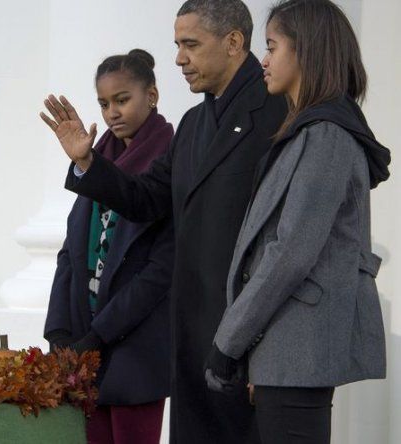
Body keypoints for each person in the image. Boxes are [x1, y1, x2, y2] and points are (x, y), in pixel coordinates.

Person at [42, 0, 288, 442]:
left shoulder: (278, 114)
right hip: (194, 338)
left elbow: (282, 241)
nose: (178, 59)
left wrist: (263, 351)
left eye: (190, 44)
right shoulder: (194, 123)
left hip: (248, 338)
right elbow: (145, 199)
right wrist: (87, 162)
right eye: (177, 45)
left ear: (233, 42)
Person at [205, 1, 390, 442]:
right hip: (285, 351)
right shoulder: (312, 131)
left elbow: (290, 252)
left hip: (298, 351)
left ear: (305, 50)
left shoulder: (326, 136)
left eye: (272, 47)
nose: (263, 60)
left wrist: (229, 342)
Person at [43, 49, 174, 444]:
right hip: (86, 348)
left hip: (135, 351)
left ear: (152, 96)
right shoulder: (97, 156)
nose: (112, 113)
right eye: (104, 104)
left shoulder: (170, 158)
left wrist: (99, 335)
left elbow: (160, 270)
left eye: (122, 100)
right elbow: (71, 250)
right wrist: (59, 331)